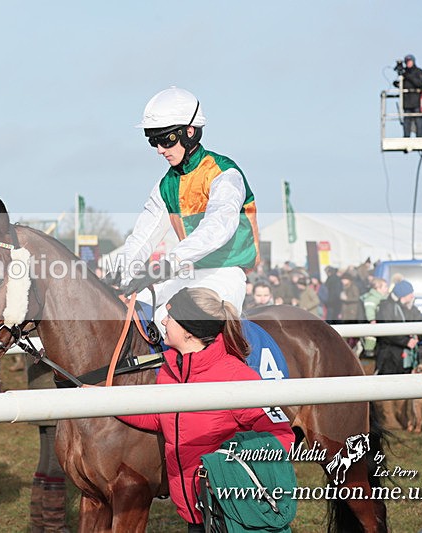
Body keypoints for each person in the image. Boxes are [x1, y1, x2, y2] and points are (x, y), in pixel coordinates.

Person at [116, 287, 294, 531]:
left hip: (232, 513)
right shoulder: (170, 370)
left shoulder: (238, 377)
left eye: (171, 316)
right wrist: (103, 400)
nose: (164, 321)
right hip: (195, 512)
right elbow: (160, 416)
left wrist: (228, 473)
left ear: (190, 332)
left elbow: (281, 435)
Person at [116, 87, 260, 331]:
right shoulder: (166, 185)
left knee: (172, 322)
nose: (160, 149)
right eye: (153, 141)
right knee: (126, 310)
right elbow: (142, 238)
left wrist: (168, 263)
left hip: (225, 274)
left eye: (165, 139)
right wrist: (125, 275)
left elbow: (217, 229)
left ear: (189, 132)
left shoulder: (224, 174)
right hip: (187, 274)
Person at [374, 279, 422, 430]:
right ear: (403, 294)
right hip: (389, 355)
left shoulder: (410, 308)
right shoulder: (386, 307)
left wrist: (416, 337)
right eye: (410, 293)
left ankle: (402, 417)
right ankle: (389, 421)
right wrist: (405, 341)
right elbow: (386, 331)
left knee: (403, 386)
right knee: (387, 386)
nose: (413, 296)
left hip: (405, 356)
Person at [26, 364, 69, 532]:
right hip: (52, 390)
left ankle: (38, 523)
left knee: (46, 458)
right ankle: (54, 526)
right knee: (55, 461)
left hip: (40, 389)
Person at [394, 54, 422, 137]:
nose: (408, 63)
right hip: (406, 102)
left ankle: (419, 137)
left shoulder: (419, 72)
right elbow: (404, 85)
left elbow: (420, 84)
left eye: (409, 61)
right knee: (407, 120)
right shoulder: (404, 73)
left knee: (418, 120)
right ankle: (406, 137)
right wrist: (397, 83)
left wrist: (408, 76)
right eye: (407, 62)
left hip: (416, 101)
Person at [360, 278, 390, 356]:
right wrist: (372, 319)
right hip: (373, 322)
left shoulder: (382, 297)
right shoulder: (372, 298)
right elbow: (369, 309)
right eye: (385, 286)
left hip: (378, 321)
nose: (387, 288)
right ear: (378, 288)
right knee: (371, 337)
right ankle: (369, 351)